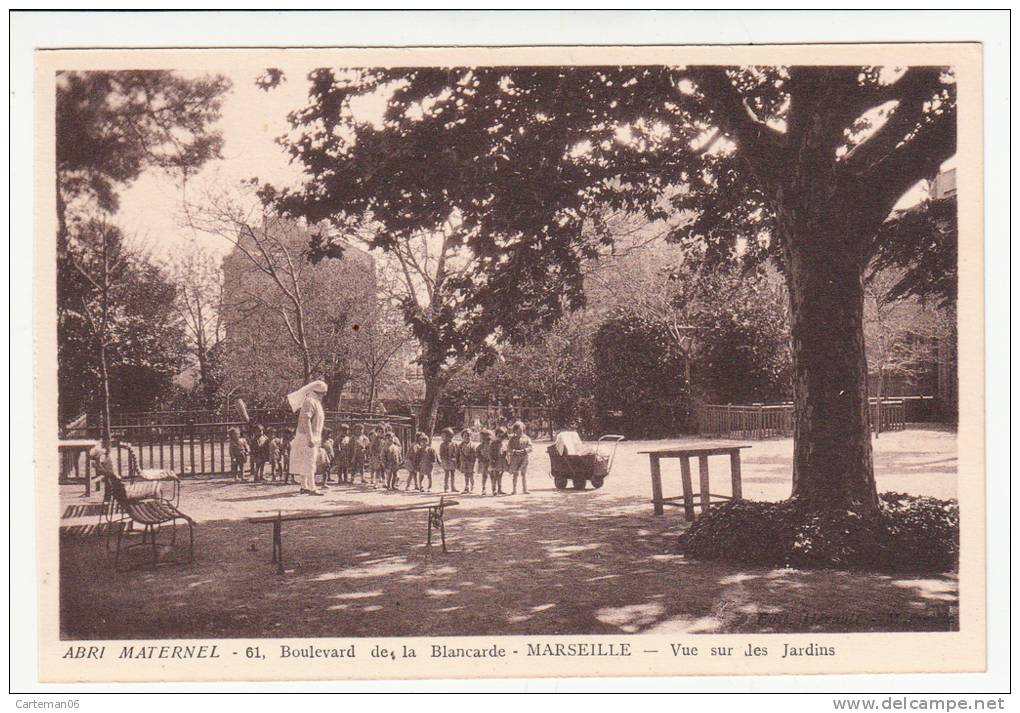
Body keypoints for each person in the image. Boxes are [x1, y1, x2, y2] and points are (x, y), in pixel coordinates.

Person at [287, 379, 328, 495]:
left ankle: (304, 486)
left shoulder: (314, 401)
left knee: (307, 461)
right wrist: (310, 437)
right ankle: (311, 487)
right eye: (323, 392)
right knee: (309, 461)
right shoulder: (310, 401)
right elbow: (306, 419)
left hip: (310, 436)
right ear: (318, 391)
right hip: (306, 437)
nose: (325, 394)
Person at [507, 420, 533, 495]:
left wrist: (525, 450)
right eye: (517, 431)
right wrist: (514, 451)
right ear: (515, 431)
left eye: (521, 430)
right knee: (515, 474)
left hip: (524, 458)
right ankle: (514, 489)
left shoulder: (527, 438)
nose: (519, 432)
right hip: (515, 458)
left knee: (524, 474)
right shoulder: (512, 439)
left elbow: (530, 447)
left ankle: (525, 489)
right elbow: (509, 448)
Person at [489, 427, 509, 496]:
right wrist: (492, 459)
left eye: (502, 436)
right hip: (495, 461)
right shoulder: (493, 443)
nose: (501, 438)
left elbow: (506, 452)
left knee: (500, 475)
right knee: (495, 475)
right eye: (499, 436)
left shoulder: (504, 443)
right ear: (496, 435)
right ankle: (494, 489)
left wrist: (507, 460)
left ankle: (500, 489)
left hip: (502, 461)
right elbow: (490, 453)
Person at [458, 428, 477, 494]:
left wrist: (472, 459)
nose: (467, 437)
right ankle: (466, 487)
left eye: (468, 436)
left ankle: (472, 486)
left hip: (470, 462)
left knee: (471, 474)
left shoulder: (472, 445)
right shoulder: (461, 445)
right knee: (466, 474)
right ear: (462, 437)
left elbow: (474, 454)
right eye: (465, 436)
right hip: (464, 462)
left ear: (471, 437)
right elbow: (459, 452)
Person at [439, 427, 458, 493]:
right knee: (446, 474)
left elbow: (456, 452)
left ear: (449, 436)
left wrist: (455, 458)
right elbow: (441, 454)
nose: (442, 438)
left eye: (444, 436)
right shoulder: (442, 445)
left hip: (452, 461)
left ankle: (453, 487)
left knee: (453, 474)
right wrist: (444, 458)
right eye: (442, 436)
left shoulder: (454, 444)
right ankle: (446, 487)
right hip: (446, 461)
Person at [476, 429, 493, 495]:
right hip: (484, 462)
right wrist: (481, 458)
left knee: (492, 475)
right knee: (484, 475)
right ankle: (483, 488)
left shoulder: (492, 445)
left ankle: (493, 488)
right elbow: (477, 453)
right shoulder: (481, 446)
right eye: (482, 438)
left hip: (491, 462)